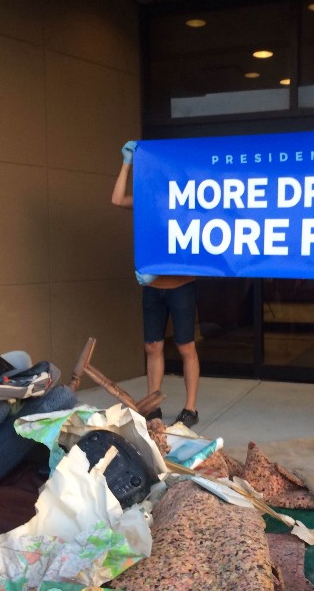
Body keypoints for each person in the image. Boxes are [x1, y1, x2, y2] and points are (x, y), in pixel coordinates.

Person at [111, 140, 200, 427]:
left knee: (186, 347)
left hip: (180, 287)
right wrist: (127, 162)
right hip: (152, 289)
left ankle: (190, 408)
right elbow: (116, 199)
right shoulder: (147, 202)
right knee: (153, 347)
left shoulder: (187, 202)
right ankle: (153, 404)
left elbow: (190, 246)